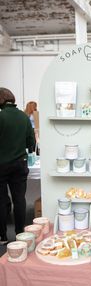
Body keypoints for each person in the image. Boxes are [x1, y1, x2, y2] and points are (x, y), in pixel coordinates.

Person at [0, 88, 35, 244]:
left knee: (1, 200)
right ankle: (20, 233)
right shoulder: (24, 117)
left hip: (1, 165)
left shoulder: (1, 116)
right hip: (20, 164)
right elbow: (31, 143)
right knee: (20, 200)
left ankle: (3, 236)